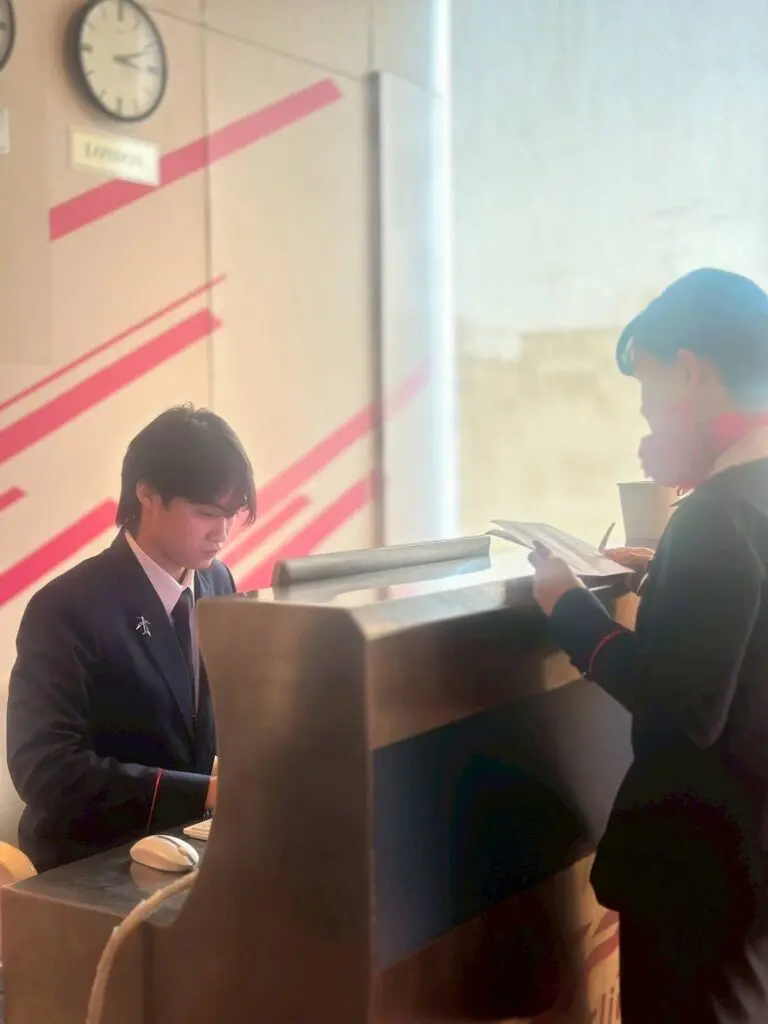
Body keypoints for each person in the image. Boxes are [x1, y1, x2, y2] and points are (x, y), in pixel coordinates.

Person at [530, 268, 768, 1023]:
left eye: (650, 390)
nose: (647, 414)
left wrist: (570, 608)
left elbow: (680, 707)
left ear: (690, 372)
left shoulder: (718, 517)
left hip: (704, 877)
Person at [7, 405, 256, 872]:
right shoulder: (67, 607)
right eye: (206, 513)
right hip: (90, 861)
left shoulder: (217, 581)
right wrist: (205, 792)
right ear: (147, 494)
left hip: (189, 844)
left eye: (231, 514)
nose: (221, 533)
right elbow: (44, 769)